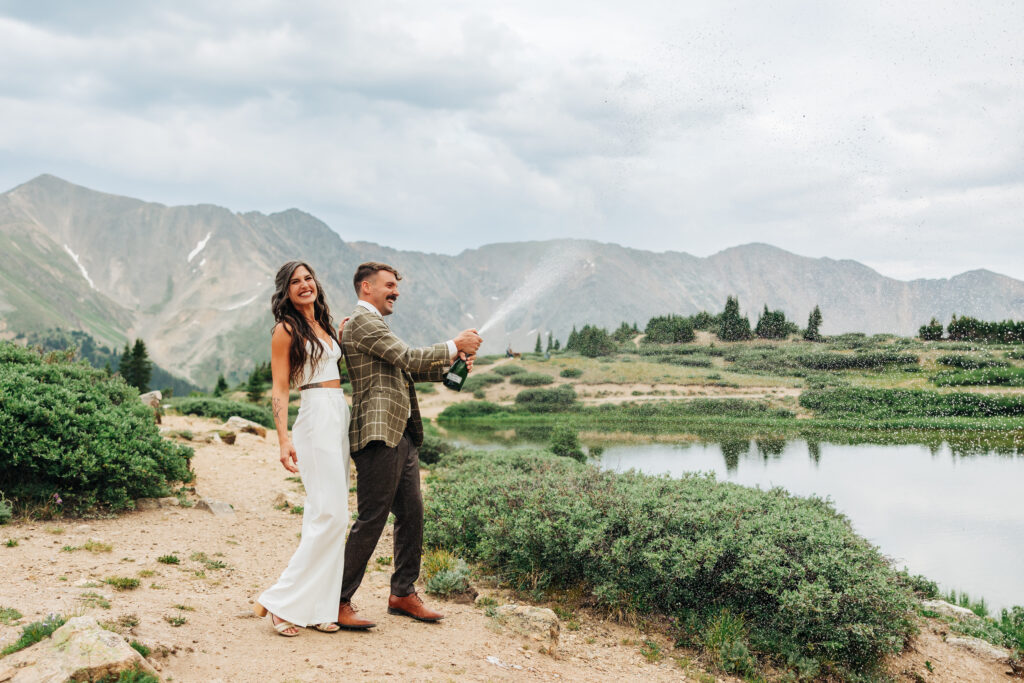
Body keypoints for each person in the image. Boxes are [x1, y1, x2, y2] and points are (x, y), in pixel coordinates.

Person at [334, 261, 482, 629]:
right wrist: (454, 344)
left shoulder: (377, 326)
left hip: (400, 434)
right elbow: (407, 357)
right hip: (378, 432)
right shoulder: (362, 322)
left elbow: (408, 369)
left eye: (396, 286)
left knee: (412, 513)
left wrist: (453, 361)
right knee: (372, 518)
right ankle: (337, 599)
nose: (395, 291)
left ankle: (402, 593)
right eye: (389, 285)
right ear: (366, 287)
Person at [253, 261, 350, 636]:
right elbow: (279, 388)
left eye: (308, 278)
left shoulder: (325, 324)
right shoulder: (285, 329)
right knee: (332, 515)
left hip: (337, 413)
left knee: (323, 515)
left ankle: (318, 608)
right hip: (314, 416)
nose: (304, 285)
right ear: (286, 291)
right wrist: (282, 438)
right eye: (295, 282)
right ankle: (281, 602)